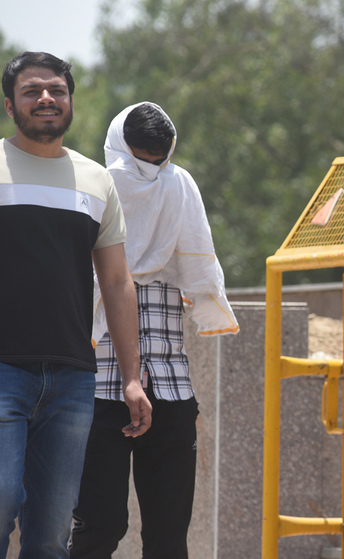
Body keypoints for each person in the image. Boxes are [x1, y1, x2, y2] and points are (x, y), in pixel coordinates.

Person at [70, 102, 239, 559]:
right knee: (98, 530)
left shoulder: (180, 188)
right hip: (98, 388)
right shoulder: (91, 190)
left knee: (169, 541)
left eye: (158, 161)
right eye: (137, 162)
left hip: (171, 387)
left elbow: (196, 271)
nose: (148, 174)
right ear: (118, 151)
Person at [0, 52, 151, 559]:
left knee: (50, 534)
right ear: (9, 105)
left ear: (70, 102)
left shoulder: (96, 181)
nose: (46, 99)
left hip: (72, 381)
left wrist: (131, 377)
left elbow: (116, 280)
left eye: (57, 91)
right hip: (1, 373)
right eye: (31, 91)